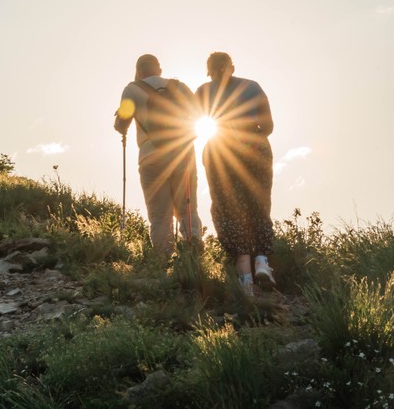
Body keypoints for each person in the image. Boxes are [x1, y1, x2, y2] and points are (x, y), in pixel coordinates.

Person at [195, 52, 275, 296]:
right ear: (232, 67)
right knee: (259, 204)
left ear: (209, 71)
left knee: (227, 209)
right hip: (255, 148)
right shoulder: (252, 87)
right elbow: (269, 126)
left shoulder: (203, 91)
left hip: (221, 150)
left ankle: (245, 278)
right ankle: (262, 261)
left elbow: (191, 122)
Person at [114, 54, 203, 257]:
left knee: (159, 215)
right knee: (187, 207)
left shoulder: (132, 89)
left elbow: (122, 125)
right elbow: (199, 112)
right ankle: (193, 252)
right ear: (159, 70)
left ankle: (163, 261)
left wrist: (120, 121)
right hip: (183, 155)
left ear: (138, 72)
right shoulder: (178, 86)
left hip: (150, 157)